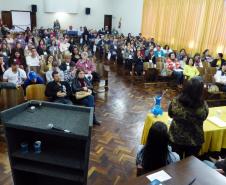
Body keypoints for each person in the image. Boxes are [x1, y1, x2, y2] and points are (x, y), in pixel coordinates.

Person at [168, 77, 209, 159]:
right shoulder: (203, 106)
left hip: (176, 138)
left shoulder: (175, 102)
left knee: (175, 164)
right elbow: (204, 117)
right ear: (200, 91)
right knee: (190, 166)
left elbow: (170, 114)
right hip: (195, 140)